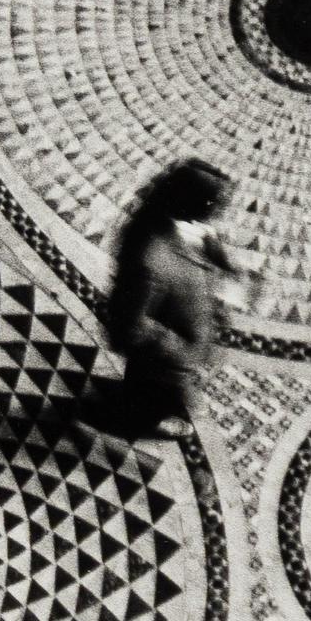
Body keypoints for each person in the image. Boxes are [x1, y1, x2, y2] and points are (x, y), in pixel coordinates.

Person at [89, 160, 249, 439]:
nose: (223, 209)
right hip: (164, 353)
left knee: (147, 386)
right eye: (217, 202)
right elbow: (133, 326)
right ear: (196, 203)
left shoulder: (183, 220)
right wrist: (180, 349)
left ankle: (138, 401)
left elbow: (205, 239)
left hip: (176, 332)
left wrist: (224, 264)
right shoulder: (151, 258)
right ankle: (140, 422)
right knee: (150, 394)